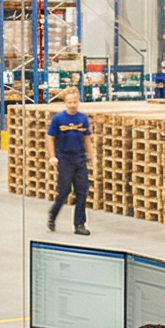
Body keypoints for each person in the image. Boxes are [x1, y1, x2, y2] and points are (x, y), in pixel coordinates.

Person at [47, 86, 92, 236]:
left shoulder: (83, 119)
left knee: (82, 192)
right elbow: (50, 137)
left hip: (79, 159)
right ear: (65, 103)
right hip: (65, 160)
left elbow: (87, 139)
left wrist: (92, 156)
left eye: (75, 102)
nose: (72, 105)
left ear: (78, 102)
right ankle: (52, 215)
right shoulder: (58, 119)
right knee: (64, 192)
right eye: (69, 102)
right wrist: (52, 156)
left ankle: (79, 224)